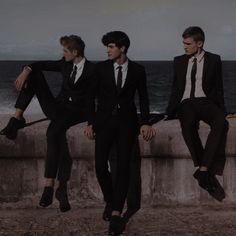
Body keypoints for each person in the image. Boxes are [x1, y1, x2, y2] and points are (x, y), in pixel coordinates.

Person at [0, 35, 95, 212]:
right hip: (57, 108)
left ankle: (49, 187)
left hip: (75, 113)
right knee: (34, 75)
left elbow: (91, 99)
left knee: (53, 133)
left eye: (65, 51)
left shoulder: (91, 70)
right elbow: (40, 65)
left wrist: (91, 122)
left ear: (75, 52)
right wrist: (26, 70)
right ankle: (16, 118)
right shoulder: (65, 64)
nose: (63, 54)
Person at [84, 31, 155, 235]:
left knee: (124, 168)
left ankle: (116, 213)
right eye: (107, 46)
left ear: (122, 48)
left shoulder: (138, 70)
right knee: (100, 166)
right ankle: (110, 199)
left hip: (127, 124)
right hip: (103, 123)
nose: (108, 50)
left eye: (111, 46)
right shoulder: (100, 69)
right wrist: (90, 122)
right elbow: (90, 98)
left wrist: (146, 123)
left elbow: (143, 98)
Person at [165, 26, 228, 201]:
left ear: (199, 44)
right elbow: (176, 88)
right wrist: (168, 112)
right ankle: (203, 169)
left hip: (206, 101)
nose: (184, 47)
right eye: (183, 43)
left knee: (221, 123)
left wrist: (222, 110)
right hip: (186, 102)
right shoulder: (178, 61)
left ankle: (203, 170)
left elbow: (219, 87)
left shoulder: (214, 60)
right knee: (188, 124)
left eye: (188, 43)